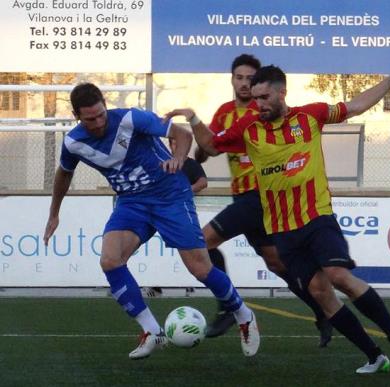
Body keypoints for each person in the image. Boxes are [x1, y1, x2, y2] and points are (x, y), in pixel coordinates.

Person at [173, 61, 390, 374]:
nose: (258, 105)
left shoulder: (310, 115)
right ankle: (374, 355)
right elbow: (209, 144)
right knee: (320, 293)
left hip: (316, 217)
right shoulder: (248, 128)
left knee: (338, 275)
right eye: (255, 99)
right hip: (282, 230)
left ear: (281, 94)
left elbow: (357, 105)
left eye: (264, 98)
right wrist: (193, 117)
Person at [43, 83, 260, 359]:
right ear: (77, 116)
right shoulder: (74, 142)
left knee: (200, 268)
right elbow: (64, 173)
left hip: (169, 194)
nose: (98, 123)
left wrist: (179, 158)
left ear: (104, 107)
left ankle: (244, 314)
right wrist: (54, 213)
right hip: (132, 202)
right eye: (90, 119)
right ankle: (152, 332)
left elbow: (181, 134)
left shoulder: (131, 118)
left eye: (101, 115)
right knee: (110, 260)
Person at [167, 54, 333, 347]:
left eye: (249, 79)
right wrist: (200, 149)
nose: (244, 84)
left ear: (260, 84)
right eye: (239, 78)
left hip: (259, 196)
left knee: (202, 241)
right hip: (246, 199)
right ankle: (322, 311)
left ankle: (228, 307)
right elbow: (209, 146)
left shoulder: (264, 115)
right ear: (232, 80)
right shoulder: (225, 113)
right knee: (277, 265)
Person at [142, 152, 208, 298]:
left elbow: (203, 182)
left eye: (175, 141)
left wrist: (185, 191)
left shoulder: (191, 164)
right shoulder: (161, 162)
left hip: (181, 214)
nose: (173, 145)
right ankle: (156, 284)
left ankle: (188, 284)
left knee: (189, 251)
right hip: (158, 213)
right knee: (158, 252)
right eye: (171, 142)